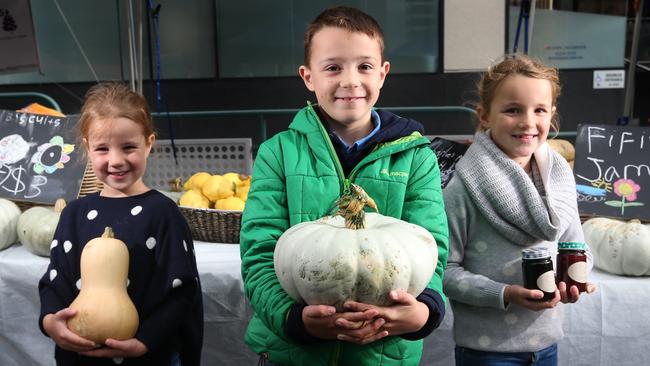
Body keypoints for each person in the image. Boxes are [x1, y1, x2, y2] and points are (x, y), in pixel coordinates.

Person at [239, 6, 448, 366]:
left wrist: (423, 311)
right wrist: (295, 319)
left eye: (364, 66)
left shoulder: (416, 157)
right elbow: (259, 255)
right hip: (294, 354)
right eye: (333, 67)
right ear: (308, 77)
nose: (350, 80)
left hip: (382, 355)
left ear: (382, 74)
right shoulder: (278, 153)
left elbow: (432, 252)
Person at [443, 54, 597, 366]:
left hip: (545, 344)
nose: (528, 121)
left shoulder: (560, 179)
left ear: (551, 114)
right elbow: (444, 271)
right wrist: (505, 293)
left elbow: (576, 246)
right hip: (486, 351)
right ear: (484, 115)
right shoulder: (463, 188)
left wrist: (572, 279)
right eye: (513, 110)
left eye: (539, 110)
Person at [38, 82, 203, 366]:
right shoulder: (73, 215)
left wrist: (144, 342)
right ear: (88, 149)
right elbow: (54, 283)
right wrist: (51, 321)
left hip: (151, 358)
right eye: (102, 149)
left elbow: (182, 291)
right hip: (82, 357)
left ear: (149, 143)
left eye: (128, 147)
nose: (116, 161)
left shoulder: (164, 213)